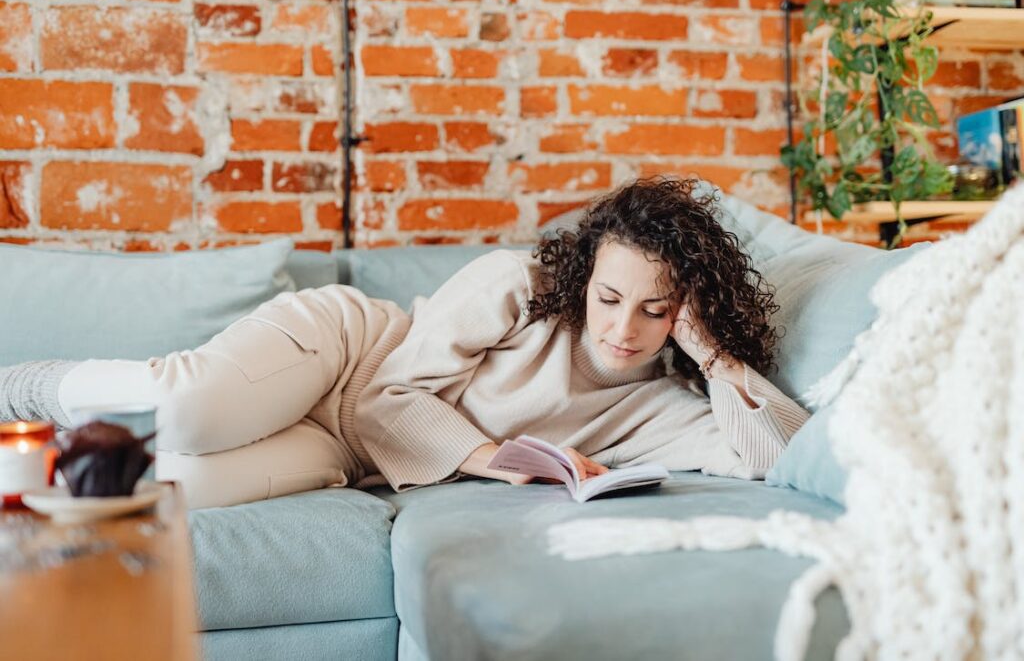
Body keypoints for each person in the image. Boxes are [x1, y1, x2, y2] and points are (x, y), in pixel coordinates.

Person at [0, 177, 808, 508]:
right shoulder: (519, 285)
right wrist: (492, 455)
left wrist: (713, 354)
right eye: (608, 297)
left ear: (685, 309)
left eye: (655, 309)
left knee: (170, 486)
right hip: (346, 355)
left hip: (349, 454)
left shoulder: (666, 395)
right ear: (586, 275)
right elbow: (390, 392)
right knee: (185, 408)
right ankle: (23, 387)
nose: (622, 327)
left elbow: (778, 455)